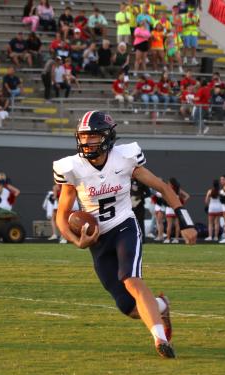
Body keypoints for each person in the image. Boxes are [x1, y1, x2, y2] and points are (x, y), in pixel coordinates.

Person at [52, 110, 197, 358]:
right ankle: (162, 305)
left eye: (93, 137)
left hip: (124, 226)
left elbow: (162, 187)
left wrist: (185, 221)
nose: (87, 143)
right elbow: (62, 216)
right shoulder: (72, 168)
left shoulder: (125, 158)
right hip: (97, 239)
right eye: (84, 137)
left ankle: (160, 340)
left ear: (107, 137)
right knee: (127, 307)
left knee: (131, 279)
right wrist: (77, 241)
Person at [163, 178, 190, 244]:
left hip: (170, 209)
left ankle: (168, 239)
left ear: (172, 184)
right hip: (176, 208)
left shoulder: (168, 190)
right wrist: (181, 203)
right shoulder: (178, 190)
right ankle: (176, 239)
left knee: (170, 225)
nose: (168, 184)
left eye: (169, 183)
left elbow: (164, 198)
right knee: (177, 224)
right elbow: (187, 196)